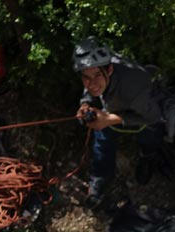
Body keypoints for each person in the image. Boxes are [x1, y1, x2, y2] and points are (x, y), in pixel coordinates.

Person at [72, 37, 168, 207]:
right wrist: (85, 104)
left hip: (142, 111)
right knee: (102, 143)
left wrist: (109, 119)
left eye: (96, 76)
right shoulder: (97, 70)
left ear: (109, 69)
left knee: (149, 136)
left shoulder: (133, 85)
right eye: (86, 77)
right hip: (112, 106)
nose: (91, 83)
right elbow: (90, 86)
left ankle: (149, 157)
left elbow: (154, 116)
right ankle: (100, 177)